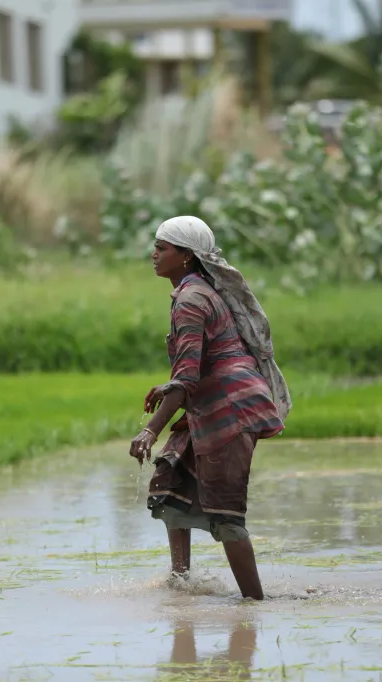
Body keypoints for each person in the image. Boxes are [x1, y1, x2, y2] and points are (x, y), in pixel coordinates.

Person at [128, 216, 292, 601]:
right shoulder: (195, 291)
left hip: (230, 411)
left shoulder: (191, 299)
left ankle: (254, 606)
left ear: (186, 256)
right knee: (172, 481)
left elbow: (186, 378)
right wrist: (170, 388)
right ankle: (181, 584)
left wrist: (150, 429)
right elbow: (196, 368)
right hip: (213, 402)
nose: (154, 255)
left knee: (226, 514)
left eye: (162, 248)